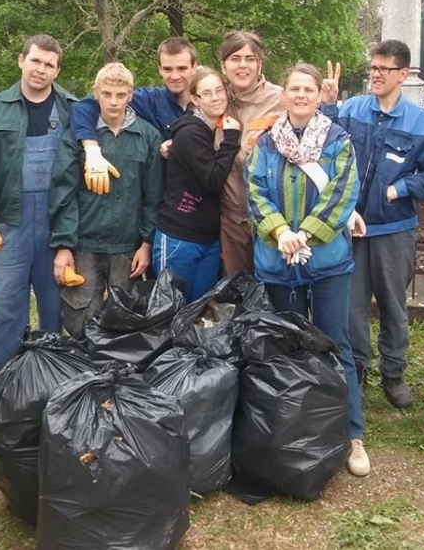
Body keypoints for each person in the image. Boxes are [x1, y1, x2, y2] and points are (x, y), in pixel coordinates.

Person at [246, 63, 369, 477]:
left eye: (308, 89)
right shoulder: (266, 144)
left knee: (337, 343)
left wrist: (306, 235)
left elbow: (342, 194)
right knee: (284, 347)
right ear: (285, 94)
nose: (300, 95)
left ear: (320, 95)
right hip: (276, 262)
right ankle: (290, 432)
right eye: (294, 88)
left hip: (328, 262)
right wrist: (280, 232)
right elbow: (256, 194)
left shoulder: (338, 141)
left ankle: (352, 434)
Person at [321, 40, 424, 409]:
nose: (376, 74)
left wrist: (402, 188)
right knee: (352, 307)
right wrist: (328, 104)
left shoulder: (421, 122)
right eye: (373, 67)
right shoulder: (350, 110)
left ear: (403, 74)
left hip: (394, 231)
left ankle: (393, 372)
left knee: (394, 306)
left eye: (384, 69)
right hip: (349, 229)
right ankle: (358, 369)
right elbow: (321, 143)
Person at [0, 34, 78, 386]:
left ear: (57, 70)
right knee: (5, 310)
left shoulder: (73, 109)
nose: (40, 70)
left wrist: (68, 237)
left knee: (54, 310)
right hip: (9, 224)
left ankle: (51, 388)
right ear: (21, 60)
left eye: (49, 64)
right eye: (35, 61)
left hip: (55, 222)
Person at [48, 63, 163, 337]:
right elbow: (64, 190)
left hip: (127, 246)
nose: (113, 101)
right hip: (85, 243)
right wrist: (64, 246)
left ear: (131, 95)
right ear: (95, 93)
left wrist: (147, 242)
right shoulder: (77, 138)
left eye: (120, 95)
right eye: (107, 94)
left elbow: (153, 195)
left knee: (125, 318)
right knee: (80, 318)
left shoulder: (148, 137)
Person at [153, 67, 241, 301]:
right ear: (195, 99)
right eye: (207, 93)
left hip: (208, 239)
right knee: (171, 310)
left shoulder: (212, 130)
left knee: (199, 312)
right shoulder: (191, 132)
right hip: (179, 237)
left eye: (219, 91)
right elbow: (212, 179)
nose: (215, 98)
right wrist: (232, 141)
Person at [70, 37, 198, 194]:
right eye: (168, 69)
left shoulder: (210, 101)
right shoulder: (149, 100)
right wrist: (92, 151)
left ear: (194, 67)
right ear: (159, 69)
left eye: (182, 68)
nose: (175, 76)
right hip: (168, 199)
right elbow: (85, 107)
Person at [217, 30, 285, 274]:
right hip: (232, 220)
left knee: (273, 298)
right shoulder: (215, 98)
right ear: (223, 65)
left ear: (260, 64)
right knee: (238, 296)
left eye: (250, 58)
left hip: (275, 219)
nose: (243, 65)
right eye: (235, 58)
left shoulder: (281, 100)